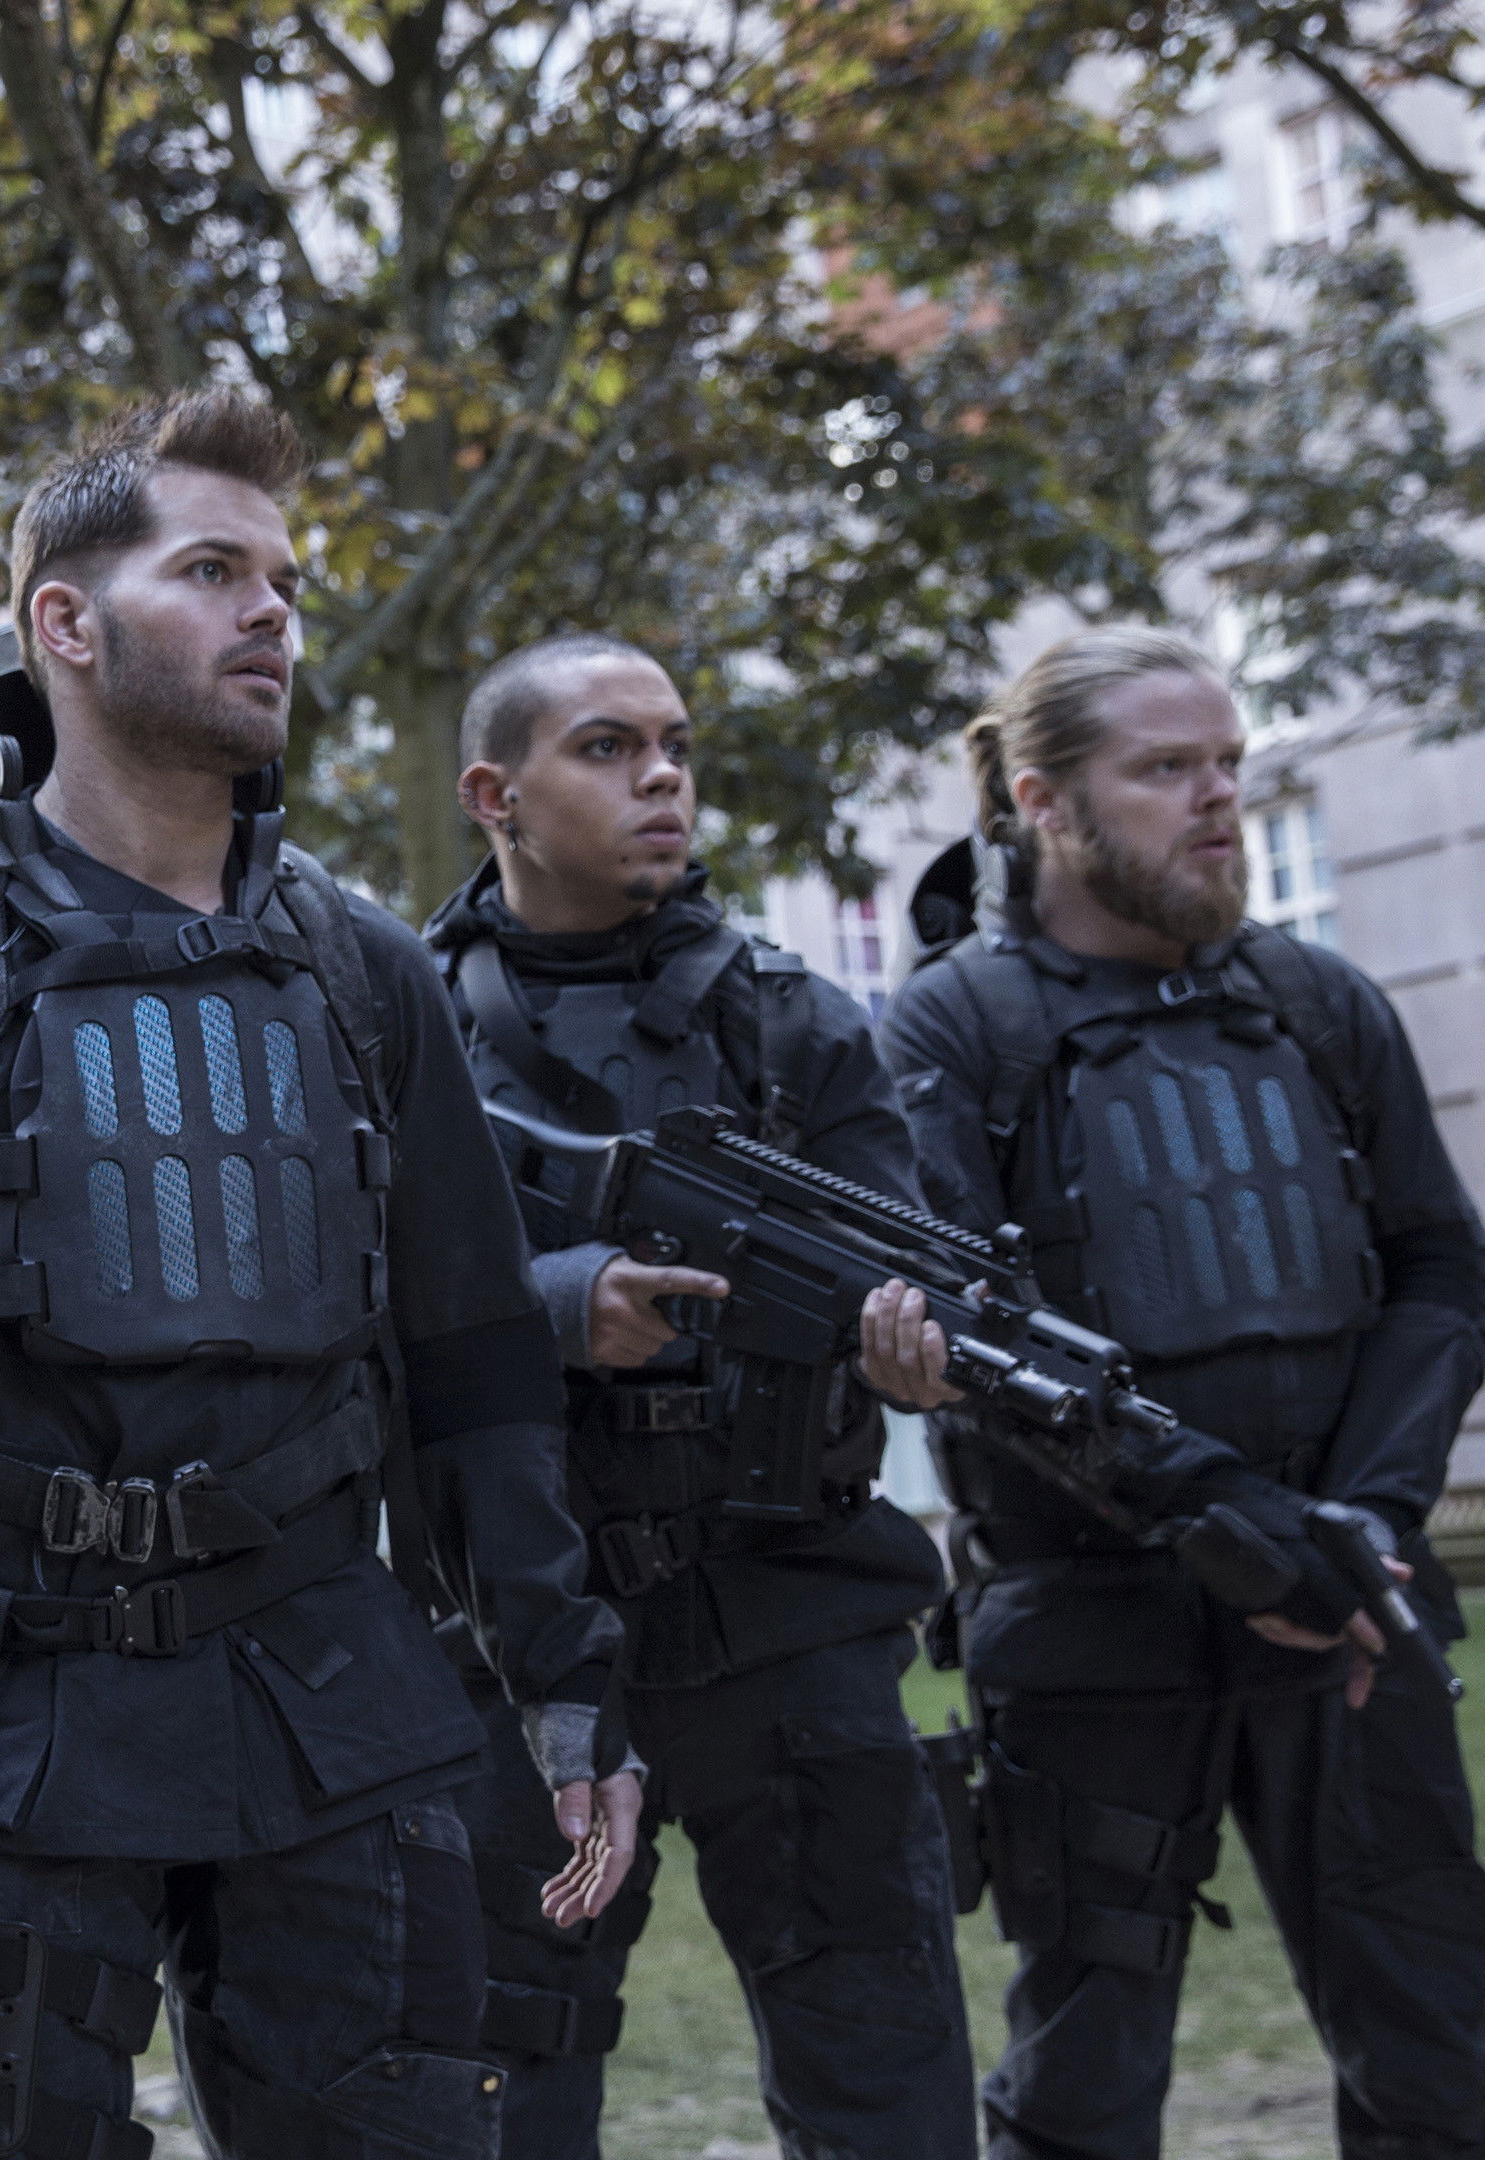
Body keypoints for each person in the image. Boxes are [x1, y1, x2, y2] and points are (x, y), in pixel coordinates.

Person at [0, 390, 635, 2160]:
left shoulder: (364, 970)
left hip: (339, 1708)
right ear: (66, 622)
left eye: (285, 582)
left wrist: (567, 1680)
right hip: (0, 1729)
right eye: (211, 571)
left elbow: (480, 1365)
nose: (271, 612)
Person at [879, 626, 1485, 2160]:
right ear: (1043, 801)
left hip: (1354, 1620)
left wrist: (1362, 1524)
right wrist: (1232, 1532)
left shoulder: (1322, 1002)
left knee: (1439, 2069)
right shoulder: (953, 1027)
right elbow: (981, 1339)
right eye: (1167, 768)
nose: (1220, 795)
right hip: (1089, 1634)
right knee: (1081, 2094)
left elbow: (1442, 1271)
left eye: (1230, 762)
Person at [420, 635, 981, 2160]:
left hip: (791, 1608)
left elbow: (909, 1265)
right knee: (506, 2074)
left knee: (883, 2069)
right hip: (514, 1630)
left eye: (675, 745)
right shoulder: (402, 1023)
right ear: (495, 796)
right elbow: (336, 1295)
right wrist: (557, 1306)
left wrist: (913, 1346)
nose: (662, 776)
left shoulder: (794, 1019)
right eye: (607, 748)